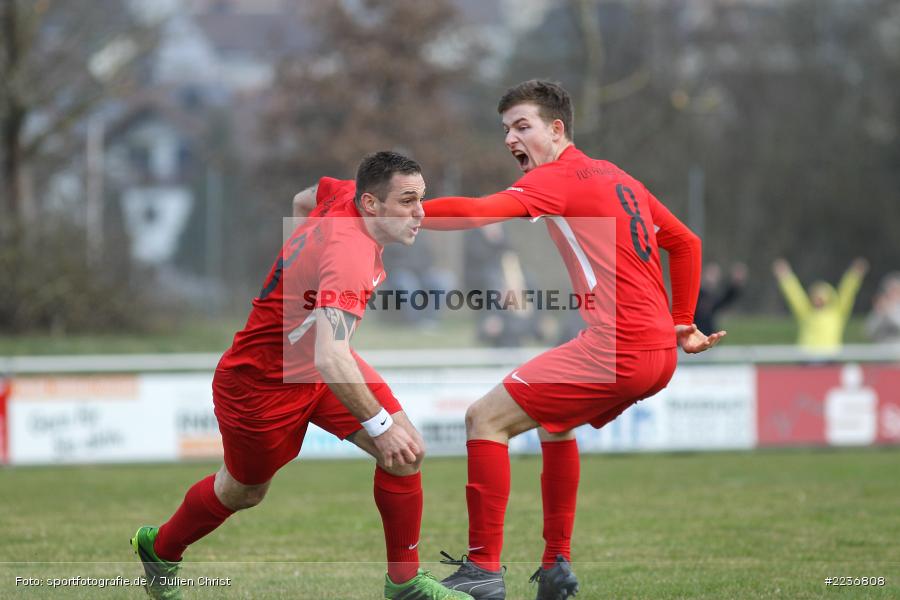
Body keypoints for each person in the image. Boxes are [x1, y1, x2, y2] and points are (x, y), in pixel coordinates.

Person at [420, 80, 725, 600]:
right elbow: (685, 242)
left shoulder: (557, 178)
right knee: (554, 425)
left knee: (483, 418)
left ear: (556, 129)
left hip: (618, 346)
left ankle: (483, 571)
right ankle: (556, 564)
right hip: (655, 353)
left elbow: (475, 212)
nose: (511, 138)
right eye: (506, 130)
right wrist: (680, 322)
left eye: (523, 126)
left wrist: (396, 212)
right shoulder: (615, 176)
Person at [132, 152, 473, 600]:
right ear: (370, 204)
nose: (420, 213)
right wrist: (379, 427)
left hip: (313, 363)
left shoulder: (341, 195)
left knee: (405, 453)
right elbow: (332, 359)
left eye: (422, 199)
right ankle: (160, 549)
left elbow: (301, 198)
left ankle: (405, 584)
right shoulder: (349, 253)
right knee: (243, 492)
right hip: (260, 386)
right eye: (408, 201)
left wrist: (301, 288)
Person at [772, 257, 868, 353]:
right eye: (815, 298)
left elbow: (847, 292)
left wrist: (855, 275)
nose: (817, 301)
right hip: (806, 357)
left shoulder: (837, 312)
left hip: (830, 358)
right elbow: (794, 294)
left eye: (820, 299)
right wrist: (785, 275)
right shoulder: (805, 312)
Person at [694, 262, 747, 335]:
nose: (712, 278)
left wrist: (735, 285)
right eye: (710, 274)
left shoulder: (713, 297)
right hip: (694, 334)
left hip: (709, 335)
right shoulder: (696, 294)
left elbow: (726, 299)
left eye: (715, 275)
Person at [866, 272, 900, 344]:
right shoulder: (880, 308)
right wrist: (880, 313)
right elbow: (869, 332)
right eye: (891, 291)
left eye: (896, 290)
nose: (893, 294)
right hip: (881, 347)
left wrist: (889, 312)